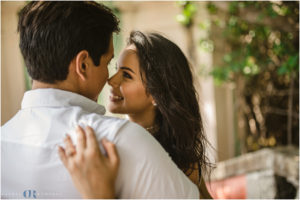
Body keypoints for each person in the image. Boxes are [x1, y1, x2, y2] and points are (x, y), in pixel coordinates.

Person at [1, 1, 199, 199]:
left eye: (127, 75)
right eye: (109, 63)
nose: (111, 79)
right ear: (83, 65)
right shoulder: (120, 140)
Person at [59, 31, 213, 198]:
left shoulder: (181, 158)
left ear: (157, 94)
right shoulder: (109, 138)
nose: (112, 80)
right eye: (116, 69)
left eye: (126, 75)